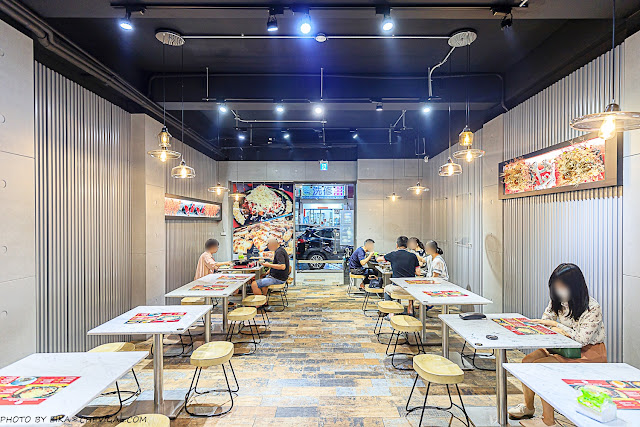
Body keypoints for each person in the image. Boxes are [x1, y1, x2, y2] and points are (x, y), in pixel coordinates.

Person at [508, 263, 606, 427]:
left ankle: (548, 420)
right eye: (556, 286)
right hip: (560, 347)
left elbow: (582, 340)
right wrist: (547, 326)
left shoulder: (591, 307)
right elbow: (545, 320)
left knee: (541, 368)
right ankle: (528, 407)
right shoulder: (557, 301)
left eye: (562, 286)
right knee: (527, 362)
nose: (559, 290)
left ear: (574, 286)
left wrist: (557, 326)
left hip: (586, 353)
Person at [377, 236, 420, 314]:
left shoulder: (393, 254)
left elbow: (378, 259)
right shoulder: (413, 256)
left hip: (397, 288)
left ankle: (391, 313)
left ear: (397, 245)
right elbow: (418, 273)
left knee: (386, 289)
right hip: (410, 289)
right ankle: (410, 308)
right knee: (410, 290)